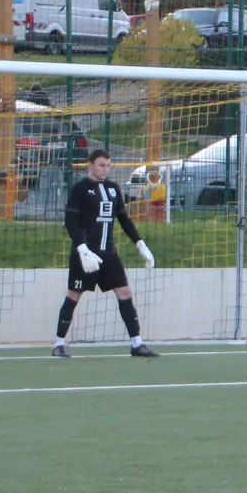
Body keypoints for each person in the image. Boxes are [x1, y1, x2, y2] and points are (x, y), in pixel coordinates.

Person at [56, 150, 159, 358]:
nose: (105, 169)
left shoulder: (113, 189)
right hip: (85, 255)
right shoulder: (80, 188)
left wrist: (140, 244)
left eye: (108, 166)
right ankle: (58, 344)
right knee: (74, 295)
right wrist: (82, 249)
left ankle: (137, 343)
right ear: (90, 165)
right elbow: (70, 221)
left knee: (125, 292)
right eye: (101, 165)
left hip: (108, 253)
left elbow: (124, 219)